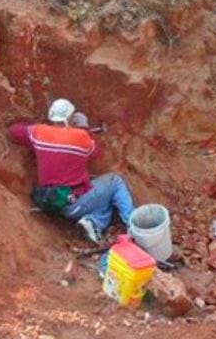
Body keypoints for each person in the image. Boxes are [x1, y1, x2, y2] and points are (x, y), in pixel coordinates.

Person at [9, 98, 134, 244]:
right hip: (74, 203)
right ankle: (134, 226)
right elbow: (95, 152)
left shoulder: (38, 132)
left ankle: (93, 223)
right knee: (114, 181)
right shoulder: (80, 137)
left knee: (104, 199)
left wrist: (38, 130)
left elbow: (14, 132)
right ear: (70, 118)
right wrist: (84, 128)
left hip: (50, 202)